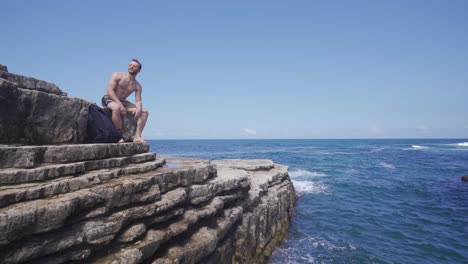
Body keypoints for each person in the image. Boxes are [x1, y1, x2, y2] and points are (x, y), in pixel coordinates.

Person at [102, 59, 149, 143]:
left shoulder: (137, 86)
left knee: (144, 112)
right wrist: (120, 105)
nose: (131, 67)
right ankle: (118, 136)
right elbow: (109, 90)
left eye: (134, 66)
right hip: (109, 98)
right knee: (116, 108)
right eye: (130, 65)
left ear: (139, 70)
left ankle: (137, 136)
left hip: (123, 101)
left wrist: (138, 109)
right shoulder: (117, 75)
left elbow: (138, 100)